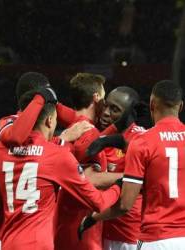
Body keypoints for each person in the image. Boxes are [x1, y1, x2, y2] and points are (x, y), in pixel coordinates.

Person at [0, 91, 122, 250]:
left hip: (7, 243)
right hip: (39, 245)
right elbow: (99, 202)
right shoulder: (57, 155)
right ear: (50, 121)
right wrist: (119, 185)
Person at [79, 80, 185, 250]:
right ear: (180, 107)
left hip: (153, 237)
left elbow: (124, 205)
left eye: (114, 109)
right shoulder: (139, 140)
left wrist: (94, 218)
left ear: (152, 104)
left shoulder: (143, 142)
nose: (106, 113)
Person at [54, 73, 124, 250]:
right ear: (96, 97)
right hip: (81, 228)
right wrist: (128, 178)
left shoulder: (73, 128)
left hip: (65, 221)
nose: (106, 107)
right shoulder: (89, 133)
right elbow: (89, 178)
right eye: (104, 98)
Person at [90, 86, 146, 250]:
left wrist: (132, 178)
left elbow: (93, 180)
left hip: (128, 236)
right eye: (106, 106)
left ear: (130, 113)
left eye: (114, 109)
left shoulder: (139, 140)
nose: (106, 113)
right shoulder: (101, 136)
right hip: (104, 231)